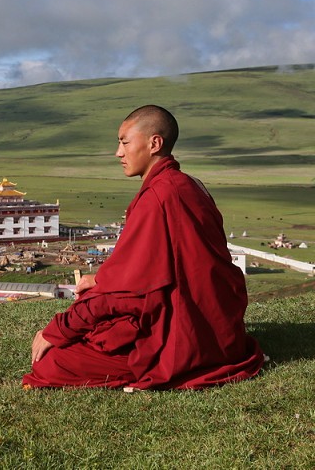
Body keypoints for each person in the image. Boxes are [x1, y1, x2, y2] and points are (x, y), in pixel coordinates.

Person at [23, 105, 264, 390]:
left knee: (52, 362)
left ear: (154, 143)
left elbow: (133, 292)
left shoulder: (158, 197)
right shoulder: (190, 185)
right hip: (220, 329)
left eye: (125, 142)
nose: (118, 152)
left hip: (182, 335)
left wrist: (58, 330)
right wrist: (100, 280)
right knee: (93, 299)